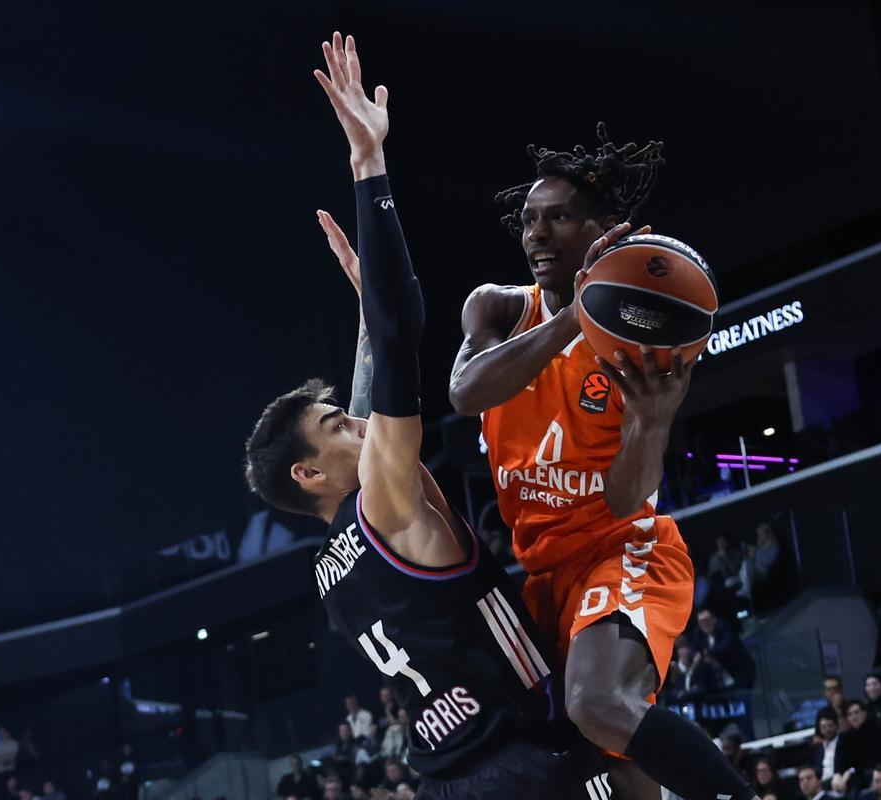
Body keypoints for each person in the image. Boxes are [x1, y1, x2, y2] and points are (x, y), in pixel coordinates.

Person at [245, 32, 648, 800]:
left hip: (453, 779)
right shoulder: (385, 501)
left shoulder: (334, 569)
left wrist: (369, 313)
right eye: (335, 425)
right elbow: (401, 342)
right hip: (526, 762)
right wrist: (370, 166)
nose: (355, 422)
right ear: (308, 471)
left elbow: (377, 367)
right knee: (634, 766)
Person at [448, 116, 756, 800]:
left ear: (602, 230)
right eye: (528, 219)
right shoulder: (497, 309)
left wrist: (653, 421)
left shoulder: (637, 339)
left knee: (598, 706)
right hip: (537, 572)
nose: (535, 234)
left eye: (558, 218)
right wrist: (572, 317)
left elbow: (625, 498)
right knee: (602, 762)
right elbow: (466, 392)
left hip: (622, 547)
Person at [692, 607, 756, 689]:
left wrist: (706, 653)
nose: (705, 624)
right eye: (701, 622)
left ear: (714, 619)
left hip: (738, 671)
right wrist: (699, 655)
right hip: (718, 679)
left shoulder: (724, 627)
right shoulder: (699, 632)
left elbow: (726, 645)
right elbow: (692, 650)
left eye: (707, 620)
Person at [811, 706, 861, 794]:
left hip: (841, 784)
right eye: (824, 727)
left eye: (830, 725)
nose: (827, 730)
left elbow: (855, 765)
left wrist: (844, 777)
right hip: (822, 788)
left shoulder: (846, 741)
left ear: (836, 725)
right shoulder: (818, 748)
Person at [845, 698, 881, 777]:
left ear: (865, 713)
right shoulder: (848, 737)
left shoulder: (878, 729)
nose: (854, 717)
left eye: (856, 712)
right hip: (862, 774)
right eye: (850, 714)